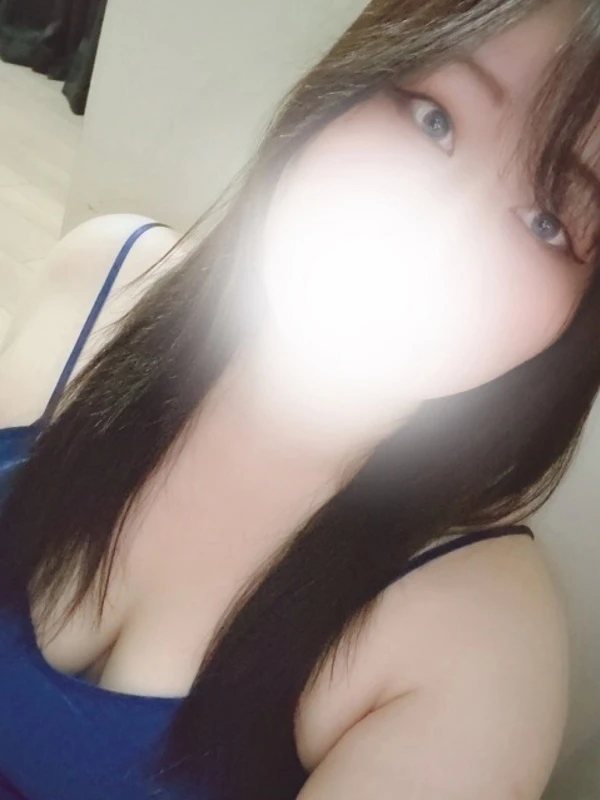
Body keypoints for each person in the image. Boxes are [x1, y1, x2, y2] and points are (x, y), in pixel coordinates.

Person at [0, 0, 598, 797]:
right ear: (350, 84)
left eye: (547, 221)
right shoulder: (100, 283)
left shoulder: (479, 646)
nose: (437, 235)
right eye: (434, 119)